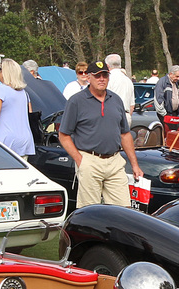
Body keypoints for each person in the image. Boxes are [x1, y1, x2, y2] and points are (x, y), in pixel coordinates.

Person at [57, 63, 142, 207]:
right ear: (89, 78)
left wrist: (135, 165)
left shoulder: (115, 99)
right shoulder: (76, 101)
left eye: (105, 75)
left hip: (115, 160)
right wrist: (80, 160)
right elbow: (64, 135)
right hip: (89, 160)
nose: (101, 79)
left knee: (123, 209)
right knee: (90, 210)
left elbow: (125, 134)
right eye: (97, 76)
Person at [0, 58, 35, 156]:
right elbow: (30, 112)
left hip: (6, 139)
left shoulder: (0, 90)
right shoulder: (24, 93)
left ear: (4, 73)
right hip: (25, 138)